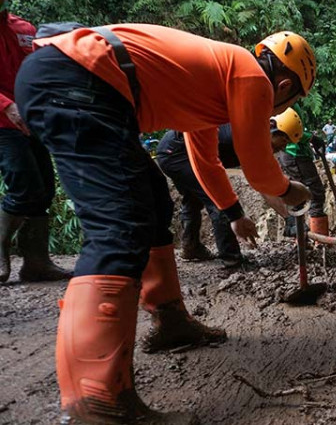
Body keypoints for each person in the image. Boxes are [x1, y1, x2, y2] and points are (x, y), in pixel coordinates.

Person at [15, 26, 314, 422]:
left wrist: (234, 211)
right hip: (78, 83)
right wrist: (290, 191)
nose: (275, 112)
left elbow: (204, 161)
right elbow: (259, 169)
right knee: (120, 225)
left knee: (153, 200)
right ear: (284, 83)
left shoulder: (218, 80)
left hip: (73, 80)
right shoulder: (251, 77)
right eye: (287, 102)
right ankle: (98, 400)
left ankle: (170, 319)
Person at [0, 0, 70, 283]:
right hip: (2, 123)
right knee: (24, 186)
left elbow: (38, 75)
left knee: (44, 187)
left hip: (33, 121)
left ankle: (36, 262)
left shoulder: (25, 29)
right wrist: (7, 106)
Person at [156, 124, 243, 268]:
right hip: (177, 153)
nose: (282, 148)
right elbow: (211, 169)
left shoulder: (242, 137)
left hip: (171, 152)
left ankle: (191, 246)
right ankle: (230, 256)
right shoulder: (236, 137)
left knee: (192, 199)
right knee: (217, 200)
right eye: (283, 141)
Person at [276, 108, 330, 236]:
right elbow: (287, 130)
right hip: (295, 152)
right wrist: (311, 138)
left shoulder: (290, 101)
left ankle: (304, 239)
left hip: (295, 151)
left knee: (301, 194)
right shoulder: (286, 103)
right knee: (315, 193)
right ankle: (318, 241)